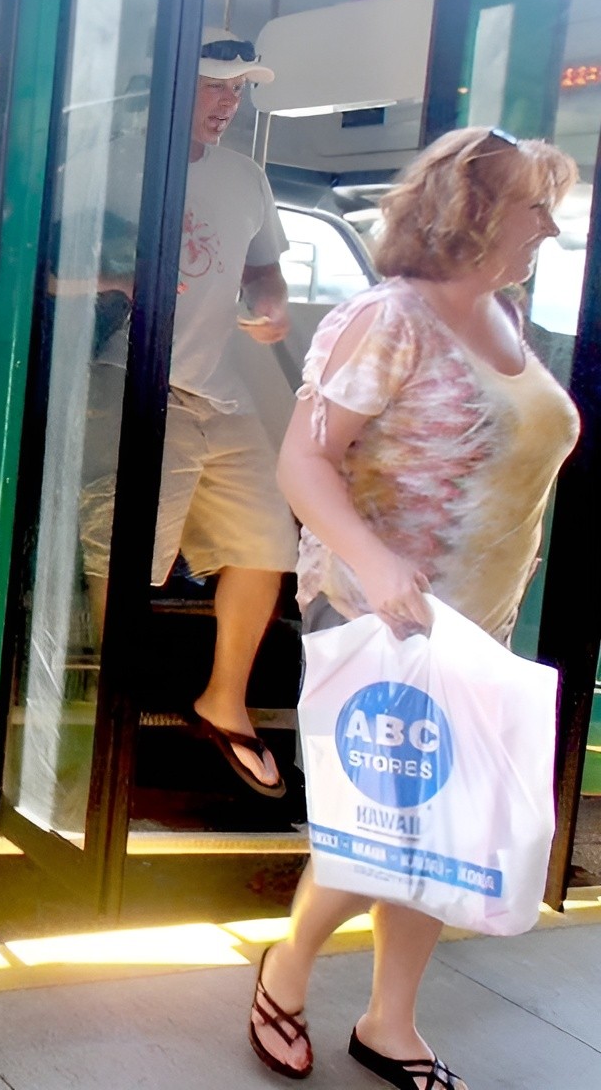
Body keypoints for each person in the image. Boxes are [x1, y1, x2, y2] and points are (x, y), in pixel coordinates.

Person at [246, 126, 579, 1088]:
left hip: (476, 627)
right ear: (474, 211)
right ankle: (287, 968)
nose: (549, 227)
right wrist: (377, 562)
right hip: (379, 618)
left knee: (446, 831)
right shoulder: (388, 317)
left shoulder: (501, 313)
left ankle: (390, 1022)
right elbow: (304, 462)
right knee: (379, 830)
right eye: (534, 207)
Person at [82, 28, 301, 795]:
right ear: (169, 83)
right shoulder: (109, 164)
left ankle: (223, 701)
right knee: (126, 557)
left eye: (237, 89)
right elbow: (38, 265)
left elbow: (264, 271)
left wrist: (271, 305)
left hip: (220, 389)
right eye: (214, 84)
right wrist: (112, 280)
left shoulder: (246, 176)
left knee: (269, 543)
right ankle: (116, 710)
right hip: (130, 378)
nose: (227, 101)